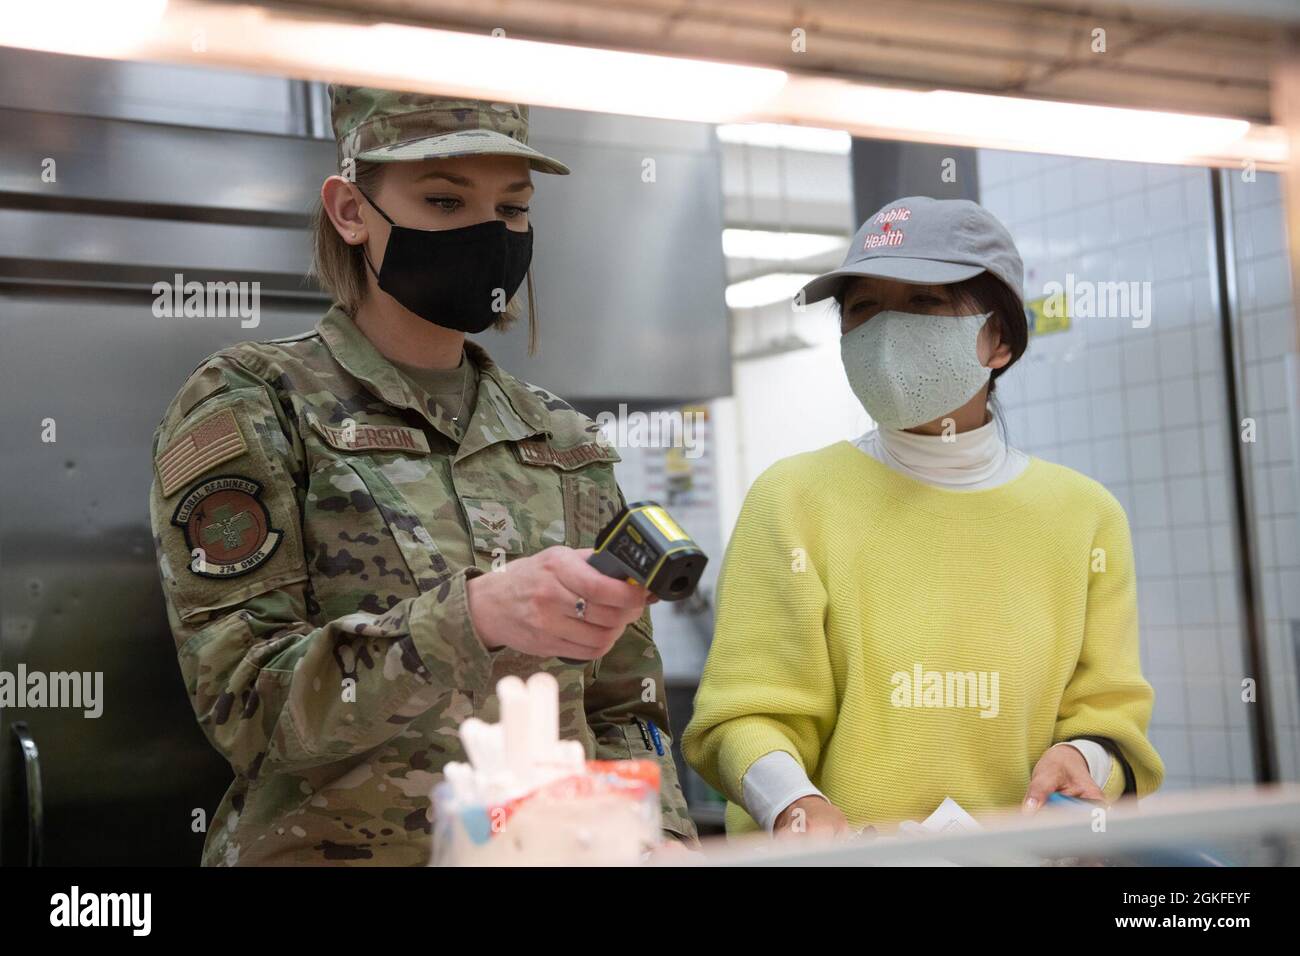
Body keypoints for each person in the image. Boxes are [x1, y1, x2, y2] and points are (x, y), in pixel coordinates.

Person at [148, 86, 697, 865]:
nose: (487, 233)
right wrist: (470, 618)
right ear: (350, 209)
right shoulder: (256, 402)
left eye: (512, 210)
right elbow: (247, 706)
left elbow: (623, 700)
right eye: (444, 200)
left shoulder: (563, 437)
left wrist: (658, 832)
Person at [683, 196, 1164, 838]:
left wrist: (1085, 758)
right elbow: (741, 716)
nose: (884, 331)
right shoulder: (793, 497)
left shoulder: (1085, 515)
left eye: (923, 303)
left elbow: (1109, 713)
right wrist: (794, 804)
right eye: (863, 307)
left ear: (999, 339)